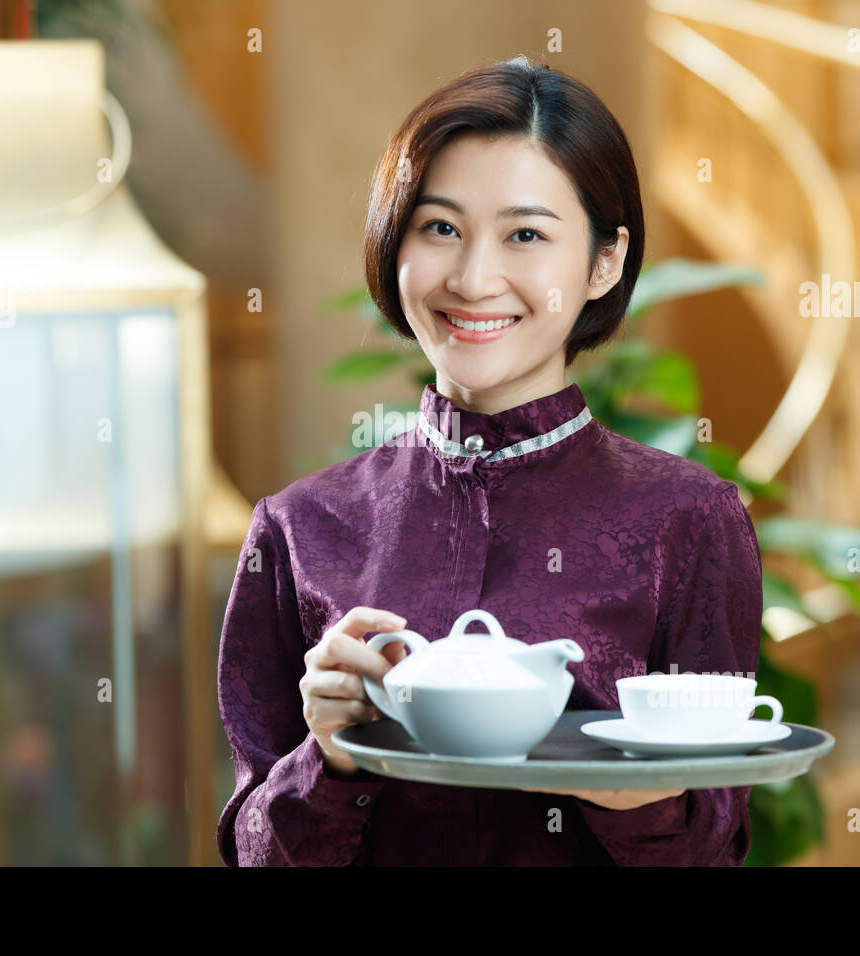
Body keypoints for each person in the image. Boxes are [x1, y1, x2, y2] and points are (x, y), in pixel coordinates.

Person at [216, 55, 763, 865]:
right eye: (440, 228)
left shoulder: (687, 521)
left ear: (604, 262)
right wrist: (327, 759)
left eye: (526, 234)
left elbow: (712, 853)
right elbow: (253, 853)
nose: (473, 279)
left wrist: (641, 801)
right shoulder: (299, 528)